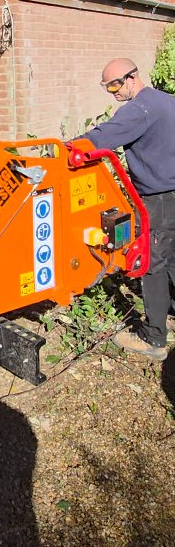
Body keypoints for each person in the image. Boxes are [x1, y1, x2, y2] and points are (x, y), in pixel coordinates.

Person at [77, 57, 175, 361]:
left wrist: (64, 149)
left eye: (116, 85)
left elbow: (98, 139)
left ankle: (154, 338)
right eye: (108, 88)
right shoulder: (167, 100)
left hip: (158, 198)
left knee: (154, 264)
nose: (113, 93)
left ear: (132, 77)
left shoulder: (138, 110)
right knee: (172, 256)